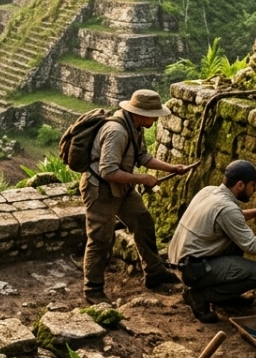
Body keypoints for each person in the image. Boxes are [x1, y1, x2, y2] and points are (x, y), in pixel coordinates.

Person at [81, 89, 191, 304]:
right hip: (100, 189)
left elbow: (142, 156)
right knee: (100, 239)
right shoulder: (117, 132)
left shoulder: (135, 127)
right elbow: (108, 171)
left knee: (143, 222)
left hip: (122, 187)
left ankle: (154, 272)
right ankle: (93, 289)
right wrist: (143, 179)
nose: (156, 119)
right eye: (154, 115)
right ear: (140, 113)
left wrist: (172, 168)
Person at [167, 160, 256, 323]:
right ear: (240, 185)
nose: (254, 190)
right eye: (253, 185)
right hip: (192, 269)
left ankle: (223, 296)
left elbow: (231, 217)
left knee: (236, 241)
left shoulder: (210, 191)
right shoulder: (227, 208)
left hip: (180, 260)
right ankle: (200, 295)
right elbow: (254, 246)